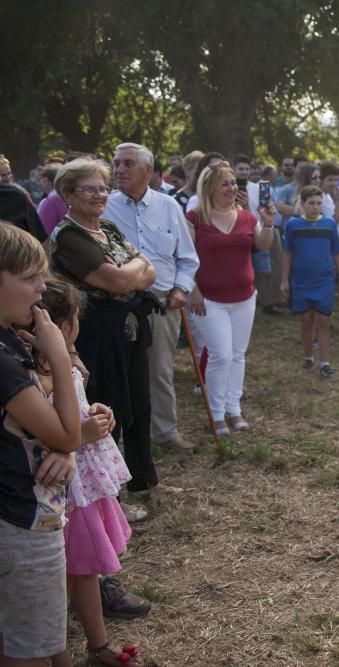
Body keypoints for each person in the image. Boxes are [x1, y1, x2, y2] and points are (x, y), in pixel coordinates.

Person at [35, 278, 143, 667]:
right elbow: (42, 435)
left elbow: (76, 409)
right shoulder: (38, 378)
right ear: (63, 327)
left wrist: (98, 413)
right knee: (58, 582)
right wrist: (79, 434)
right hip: (62, 493)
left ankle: (97, 646)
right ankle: (58, 656)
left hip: (83, 487)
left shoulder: (65, 364)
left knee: (85, 571)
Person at [0, 224, 81, 667]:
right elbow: (66, 432)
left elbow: (55, 432)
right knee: (26, 651)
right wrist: (60, 355)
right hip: (19, 522)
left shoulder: (10, 336)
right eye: (31, 276)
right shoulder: (5, 360)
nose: (40, 288)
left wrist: (63, 445)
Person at [106, 142, 199, 451]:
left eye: (128, 163)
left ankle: (166, 433)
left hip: (161, 304)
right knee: (119, 373)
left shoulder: (169, 206)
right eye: (117, 163)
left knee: (159, 371)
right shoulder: (104, 208)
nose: (119, 169)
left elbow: (187, 257)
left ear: (148, 169)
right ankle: (117, 441)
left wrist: (181, 289)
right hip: (117, 305)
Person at [185, 164, 276, 435]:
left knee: (237, 355)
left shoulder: (247, 217)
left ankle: (233, 409)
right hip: (209, 299)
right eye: (225, 183)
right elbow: (185, 256)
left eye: (234, 183)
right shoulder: (194, 217)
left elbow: (263, 244)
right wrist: (193, 290)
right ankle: (216, 414)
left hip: (244, 297)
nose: (232, 188)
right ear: (210, 186)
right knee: (220, 355)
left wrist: (268, 222)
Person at [281, 185, 339, 379]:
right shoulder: (293, 225)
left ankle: (325, 362)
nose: (315, 207)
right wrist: (284, 279)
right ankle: (308, 355)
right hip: (301, 279)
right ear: (302, 204)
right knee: (305, 320)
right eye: (311, 203)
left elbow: (336, 251)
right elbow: (288, 252)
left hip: (324, 279)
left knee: (324, 320)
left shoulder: (328, 224)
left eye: (318, 203)